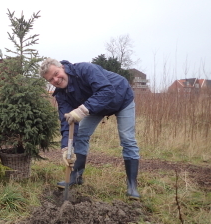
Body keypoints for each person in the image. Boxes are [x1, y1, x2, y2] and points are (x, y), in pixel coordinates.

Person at [39, 58, 141, 199]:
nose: (56, 79)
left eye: (56, 73)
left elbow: (107, 91)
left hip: (121, 97)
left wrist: (82, 111)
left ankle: (132, 186)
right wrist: (66, 149)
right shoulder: (61, 94)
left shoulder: (85, 69)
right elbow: (67, 121)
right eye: (51, 79)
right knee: (80, 135)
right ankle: (76, 176)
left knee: (127, 138)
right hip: (96, 106)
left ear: (62, 67)